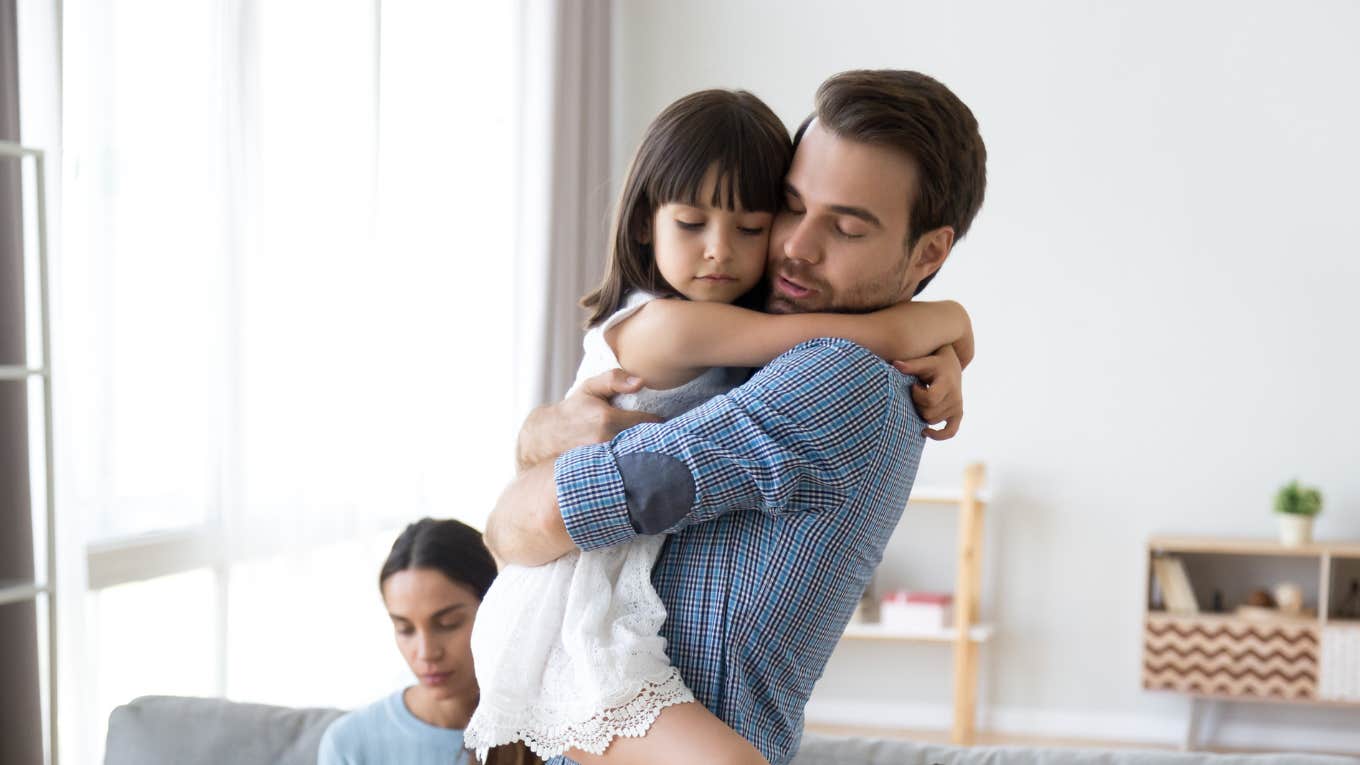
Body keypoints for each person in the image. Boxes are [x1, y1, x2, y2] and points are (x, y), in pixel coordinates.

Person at [486, 70, 987, 765]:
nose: (794, 248)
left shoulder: (838, 377)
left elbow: (528, 523)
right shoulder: (740, 334)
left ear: (930, 252)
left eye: (844, 227)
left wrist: (941, 324)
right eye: (787, 206)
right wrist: (946, 322)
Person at [318, 518, 541, 765]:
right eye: (405, 629)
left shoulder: (552, 729)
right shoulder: (349, 743)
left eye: (448, 624)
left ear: (496, 611)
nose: (426, 653)